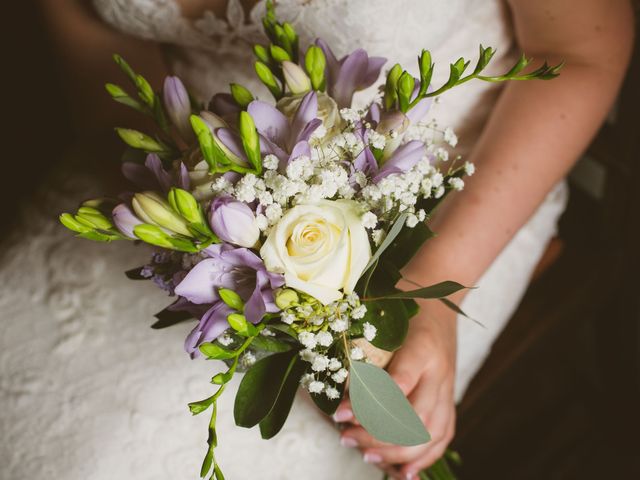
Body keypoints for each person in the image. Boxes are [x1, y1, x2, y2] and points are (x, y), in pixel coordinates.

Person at [3, 1, 630, 479]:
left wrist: (427, 295)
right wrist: (201, 199)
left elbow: (583, 50)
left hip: (454, 191)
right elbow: (95, 40)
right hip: (188, 179)